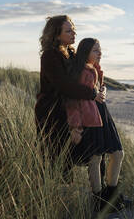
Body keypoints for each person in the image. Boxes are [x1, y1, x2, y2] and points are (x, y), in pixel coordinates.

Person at [34, 15, 105, 182]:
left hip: (73, 111)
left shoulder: (71, 54)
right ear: (56, 34)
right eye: (68, 30)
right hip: (52, 114)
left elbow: (90, 72)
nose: (74, 33)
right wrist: (92, 94)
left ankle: (103, 196)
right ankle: (59, 199)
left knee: (96, 153)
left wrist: (102, 88)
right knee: (58, 160)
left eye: (73, 29)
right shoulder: (50, 56)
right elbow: (64, 86)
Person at [65, 38, 129, 212]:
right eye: (95, 50)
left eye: (100, 50)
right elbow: (72, 101)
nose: (100, 53)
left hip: (101, 113)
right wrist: (75, 126)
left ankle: (111, 195)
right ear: (85, 52)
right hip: (89, 116)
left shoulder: (94, 69)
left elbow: (99, 86)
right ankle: (99, 201)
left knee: (118, 153)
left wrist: (103, 88)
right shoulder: (80, 71)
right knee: (95, 158)